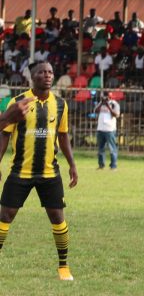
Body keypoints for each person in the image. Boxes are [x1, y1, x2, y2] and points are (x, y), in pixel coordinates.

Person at [0, 62, 78, 281]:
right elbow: (4, 135)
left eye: (51, 72)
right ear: (32, 76)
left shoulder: (61, 104)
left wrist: (72, 164)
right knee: (5, 216)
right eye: (42, 72)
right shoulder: (17, 103)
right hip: (20, 172)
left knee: (57, 216)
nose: (47, 75)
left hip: (49, 173)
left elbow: (63, 136)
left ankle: (63, 267)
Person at [95, 92, 120, 170]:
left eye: (108, 97)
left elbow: (116, 115)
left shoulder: (114, 104)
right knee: (100, 148)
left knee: (112, 148)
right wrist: (101, 103)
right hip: (100, 128)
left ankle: (113, 166)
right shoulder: (101, 103)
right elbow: (95, 111)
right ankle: (101, 165)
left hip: (110, 129)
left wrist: (108, 106)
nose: (106, 99)